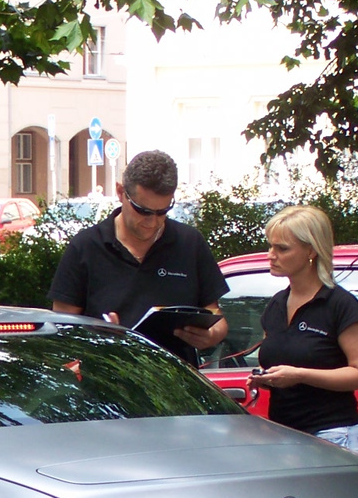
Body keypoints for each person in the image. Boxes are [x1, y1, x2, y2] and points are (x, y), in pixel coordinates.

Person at [48, 150, 227, 366]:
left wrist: (210, 336)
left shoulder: (190, 243)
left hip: (177, 388)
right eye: (143, 211)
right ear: (121, 192)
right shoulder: (86, 247)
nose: (152, 222)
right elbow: (61, 330)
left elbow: (217, 316)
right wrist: (98, 339)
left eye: (162, 212)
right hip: (110, 385)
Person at [252, 205, 358, 453]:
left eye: (282, 248)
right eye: (270, 246)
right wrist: (268, 379)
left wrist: (300, 375)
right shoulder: (276, 304)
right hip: (283, 434)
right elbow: (283, 362)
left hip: (333, 435)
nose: (270, 254)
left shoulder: (340, 305)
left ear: (311, 250)